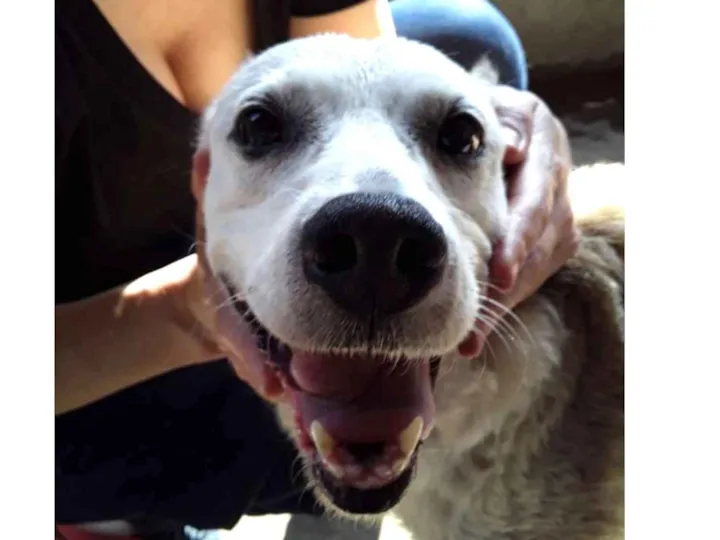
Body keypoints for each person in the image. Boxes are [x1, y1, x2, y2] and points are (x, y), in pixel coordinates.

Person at [55, 0, 577, 538]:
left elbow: (365, 74)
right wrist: (191, 312)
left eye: (455, 140)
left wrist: (512, 125)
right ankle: (115, 513)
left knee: (474, 40)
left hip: (229, 239)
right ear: (201, 174)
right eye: (262, 129)